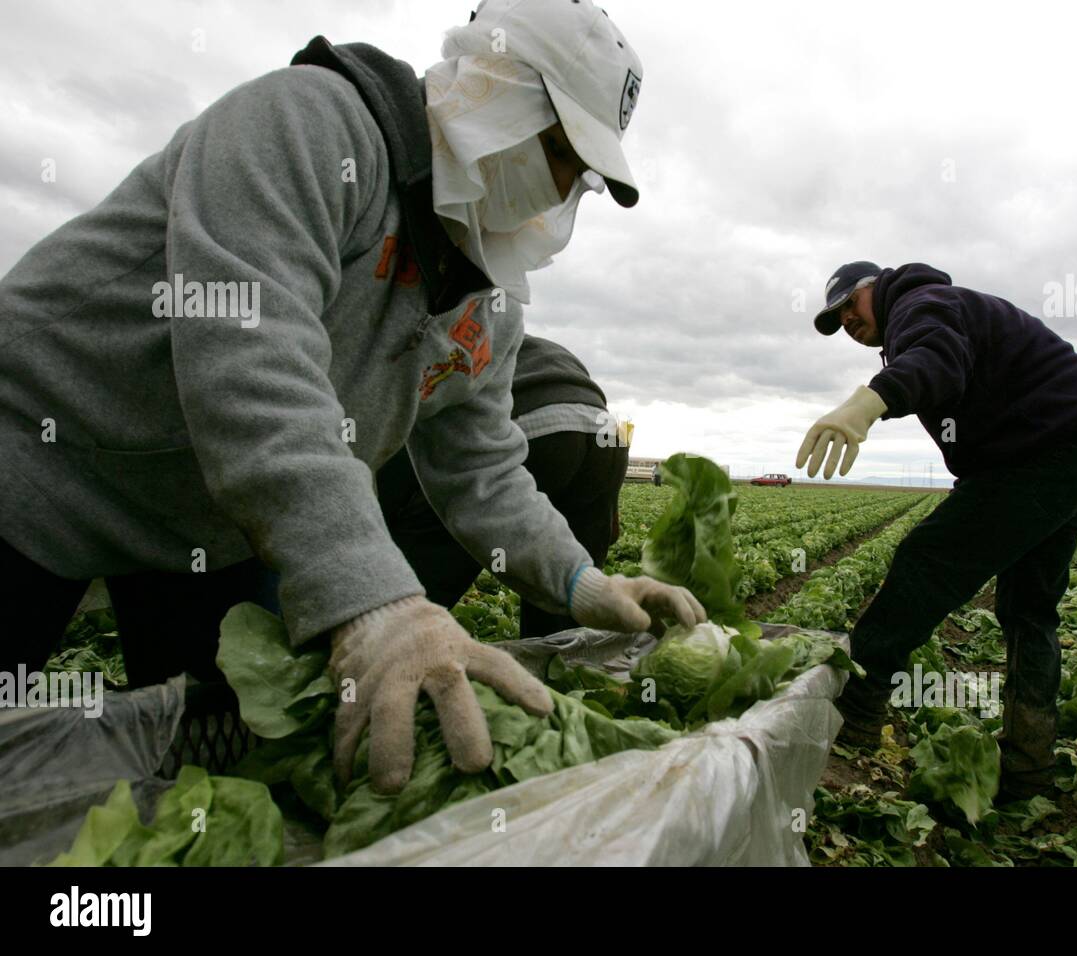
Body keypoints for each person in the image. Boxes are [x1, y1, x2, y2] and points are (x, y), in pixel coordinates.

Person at [0, 0, 705, 796]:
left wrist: (583, 584)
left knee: (225, 759)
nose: (562, 187)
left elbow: (482, 470)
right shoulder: (306, 125)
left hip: (203, 529)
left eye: (581, 175)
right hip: (37, 467)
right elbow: (249, 360)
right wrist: (377, 600)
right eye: (557, 150)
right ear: (496, 89)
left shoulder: (490, 295)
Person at [796, 261, 1077, 799]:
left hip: (1047, 457)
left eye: (848, 309)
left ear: (873, 288)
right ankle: (1028, 765)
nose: (847, 325)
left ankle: (855, 713)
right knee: (1028, 610)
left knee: (926, 560)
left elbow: (936, 361)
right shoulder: (935, 312)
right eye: (835, 322)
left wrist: (866, 403)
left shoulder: (923, 304)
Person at [377, 334, 628, 638]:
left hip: (536, 427)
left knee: (427, 562)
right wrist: (603, 518)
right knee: (565, 598)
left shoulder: (432, 352)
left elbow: (410, 465)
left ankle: (386, 645)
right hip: (607, 438)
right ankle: (556, 669)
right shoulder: (510, 338)